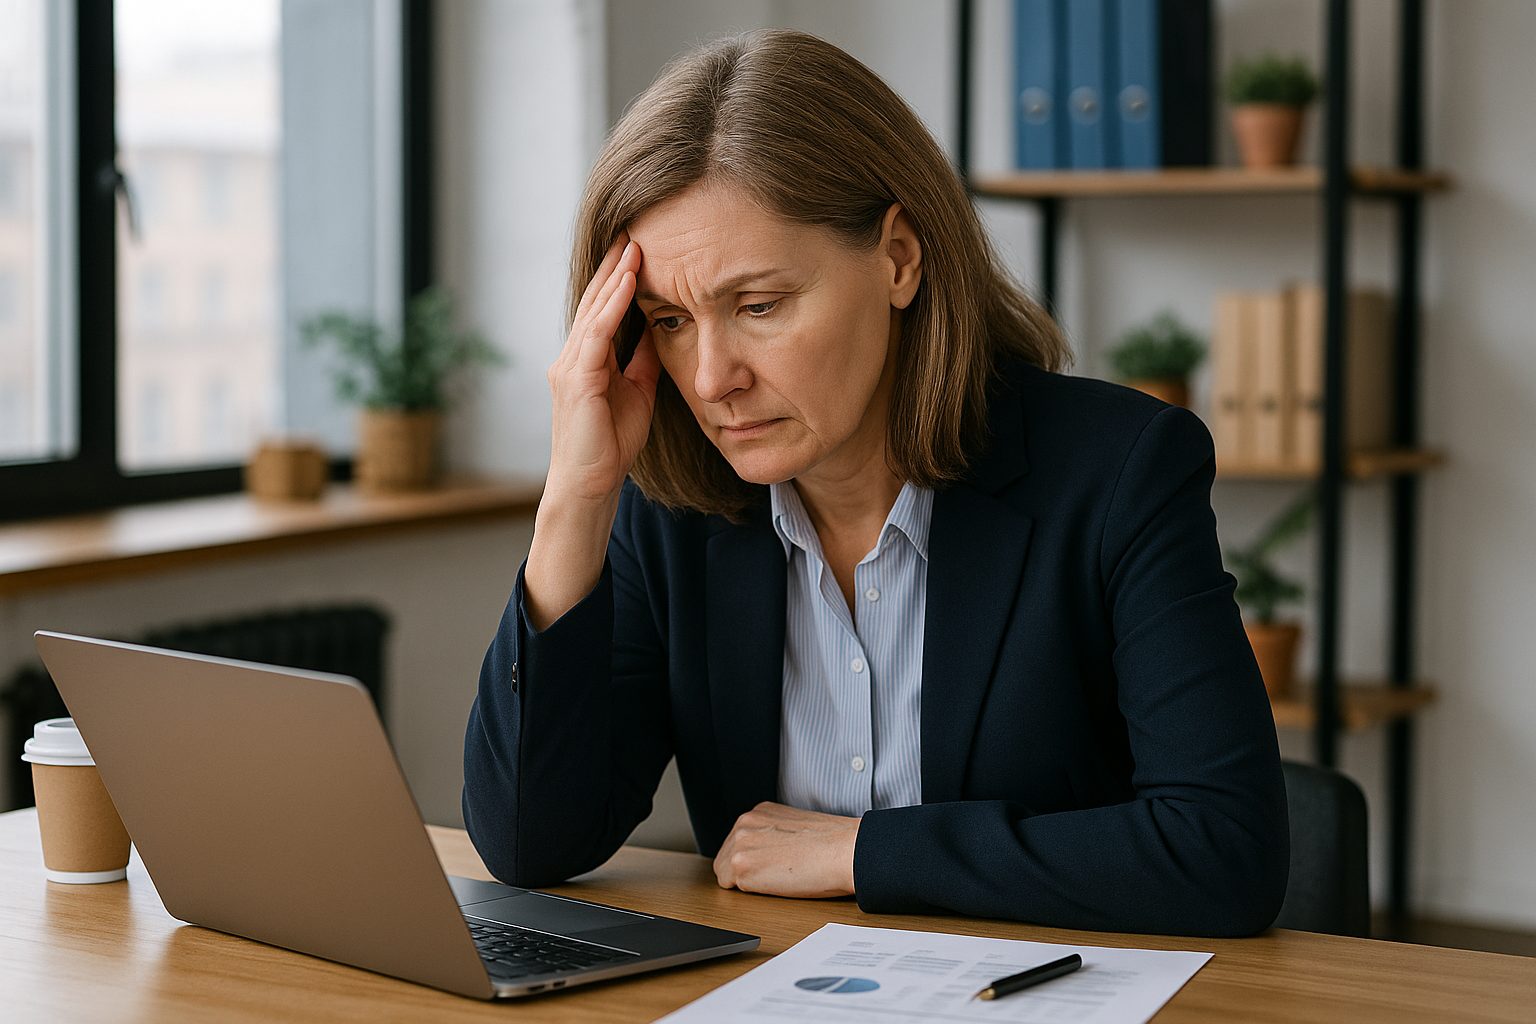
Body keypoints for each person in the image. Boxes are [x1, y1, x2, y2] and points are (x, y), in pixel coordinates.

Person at [462, 28, 1288, 938]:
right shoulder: (671, 513)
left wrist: (865, 852)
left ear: (898, 257)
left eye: (759, 306)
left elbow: (1224, 850)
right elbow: (530, 842)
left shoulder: (1120, 470)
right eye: (669, 321)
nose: (710, 379)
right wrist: (574, 500)